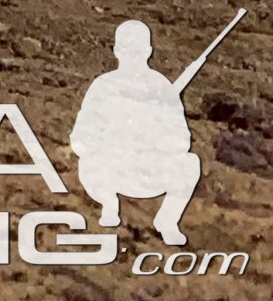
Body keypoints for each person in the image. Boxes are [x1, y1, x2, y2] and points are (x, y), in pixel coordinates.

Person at [68, 17, 203, 246]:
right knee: (88, 162)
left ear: (148, 51)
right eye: (127, 50)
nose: (133, 56)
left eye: (138, 50)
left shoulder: (161, 88)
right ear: (117, 51)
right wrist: (109, 141)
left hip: (149, 171)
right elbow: (80, 138)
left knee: (190, 163)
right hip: (111, 171)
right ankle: (109, 204)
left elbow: (182, 140)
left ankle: (167, 221)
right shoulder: (103, 86)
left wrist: (153, 137)